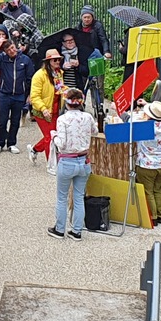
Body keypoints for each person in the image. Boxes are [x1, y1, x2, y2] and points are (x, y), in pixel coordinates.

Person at [48, 88, 97, 240]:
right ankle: (76, 230)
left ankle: (60, 228)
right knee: (79, 196)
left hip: (67, 160)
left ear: (67, 103)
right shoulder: (88, 117)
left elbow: (61, 144)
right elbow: (95, 132)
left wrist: (54, 136)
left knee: (62, 197)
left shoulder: (62, 119)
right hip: (83, 161)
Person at [133, 100, 161, 226]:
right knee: (158, 189)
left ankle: (152, 217)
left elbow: (129, 120)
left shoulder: (145, 127)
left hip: (147, 164)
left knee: (148, 191)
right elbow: (159, 113)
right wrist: (147, 105)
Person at [0, 40, 34, 155]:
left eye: (12, 48)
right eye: (8, 50)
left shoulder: (25, 59)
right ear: (5, 52)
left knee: (15, 121)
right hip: (4, 94)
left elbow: (30, 78)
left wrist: (29, 94)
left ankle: (12, 143)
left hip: (19, 95)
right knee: (2, 120)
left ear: (15, 46)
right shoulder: (2, 59)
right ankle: (0, 143)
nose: (11, 51)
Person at [28, 49, 66, 164]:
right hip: (42, 111)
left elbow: (60, 88)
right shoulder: (39, 75)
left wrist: (71, 92)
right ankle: (52, 164)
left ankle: (34, 150)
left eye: (59, 59)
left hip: (55, 110)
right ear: (49, 61)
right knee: (50, 138)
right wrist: (43, 109)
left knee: (54, 135)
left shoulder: (58, 73)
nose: (58, 61)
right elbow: (34, 97)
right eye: (55, 60)